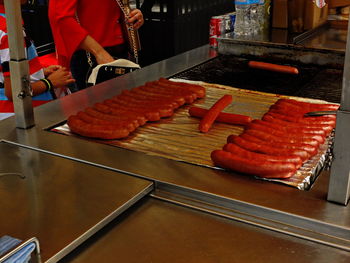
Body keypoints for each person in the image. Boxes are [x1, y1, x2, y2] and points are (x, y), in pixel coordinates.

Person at [48, 0, 144, 91]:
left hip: (118, 52)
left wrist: (132, 15)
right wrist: (99, 52)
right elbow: (61, 18)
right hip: (90, 58)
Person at [0, 0, 75, 113]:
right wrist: (50, 82)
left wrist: (38, 72)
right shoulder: (10, 31)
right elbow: (15, 92)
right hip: (22, 115)